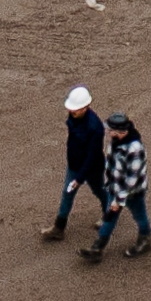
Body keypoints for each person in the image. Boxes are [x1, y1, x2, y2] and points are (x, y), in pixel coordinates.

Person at [79, 111, 150, 259]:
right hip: (114, 188)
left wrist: (119, 200)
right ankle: (97, 249)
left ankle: (145, 239)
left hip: (132, 193)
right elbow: (111, 166)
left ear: (122, 131)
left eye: (112, 130)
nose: (109, 133)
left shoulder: (135, 149)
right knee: (109, 218)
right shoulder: (116, 142)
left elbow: (132, 179)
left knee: (139, 216)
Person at [45, 85, 105, 242]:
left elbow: (92, 156)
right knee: (67, 193)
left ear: (86, 107)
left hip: (92, 169)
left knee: (99, 191)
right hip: (75, 165)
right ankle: (58, 228)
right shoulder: (74, 118)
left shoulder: (95, 127)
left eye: (76, 109)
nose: (72, 111)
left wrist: (79, 178)